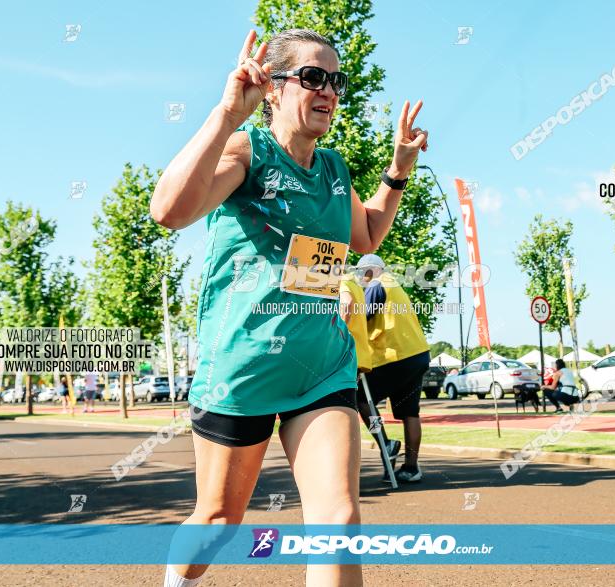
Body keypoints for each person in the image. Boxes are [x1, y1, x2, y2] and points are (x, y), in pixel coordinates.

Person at [150, 28, 428, 587]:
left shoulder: (332, 168)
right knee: (218, 522)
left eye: (335, 81)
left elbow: (367, 235)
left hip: (321, 367)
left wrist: (397, 172)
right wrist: (228, 114)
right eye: (312, 77)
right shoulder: (246, 152)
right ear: (272, 88)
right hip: (243, 369)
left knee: (339, 522)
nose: (327, 90)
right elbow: (169, 211)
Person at [356, 254, 431, 483]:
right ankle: (411, 468)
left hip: (395, 355)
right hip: (417, 355)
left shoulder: (378, 285)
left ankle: (385, 443)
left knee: (360, 399)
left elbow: (361, 318)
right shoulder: (395, 285)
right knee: (410, 412)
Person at [339, 269, 401, 477]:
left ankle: (345, 470)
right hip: (358, 355)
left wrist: (337, 333)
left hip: (344, 355)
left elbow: (346, 304)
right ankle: (385, 442)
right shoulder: (354, 282)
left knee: (342, 410)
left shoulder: (342, 280)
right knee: (362, 404)